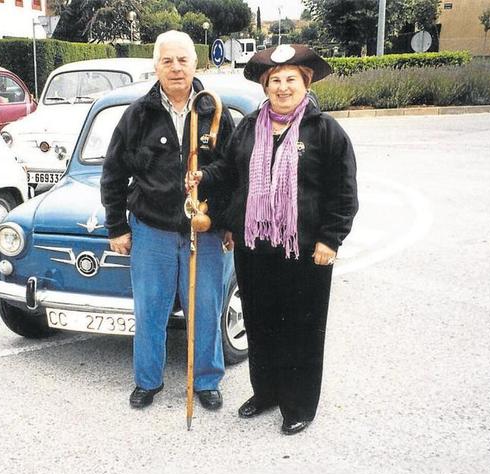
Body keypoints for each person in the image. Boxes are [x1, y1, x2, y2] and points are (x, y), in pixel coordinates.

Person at [188, 44, 359, 435]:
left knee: (302, 328)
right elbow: (230, 175)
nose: (283, 88)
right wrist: (204, 179)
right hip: (254, 245)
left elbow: (343, 192)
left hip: (305, 248)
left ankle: (299, 404)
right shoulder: (249, 127)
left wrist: (330, 240)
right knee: (261, 323)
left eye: (291, 80)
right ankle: (265, 392)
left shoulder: (325, 131)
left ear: (306, 83)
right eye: (275, 81)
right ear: (265, 86)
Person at [100, 31, 235, 410]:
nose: (176, 68)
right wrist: (117, 227)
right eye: (167, 61)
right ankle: (148, 382)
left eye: (183, 60)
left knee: (205, 308)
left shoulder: (215, 111)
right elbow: (112, 175)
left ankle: (206, 381)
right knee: (150, 310)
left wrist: (228, 224)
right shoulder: (137, 115)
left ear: (196, 63)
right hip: (152, 230)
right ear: (155, 66)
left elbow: (235, 173)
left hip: (203, 231)